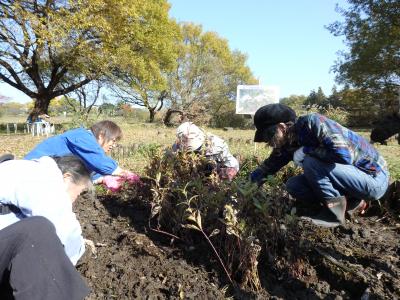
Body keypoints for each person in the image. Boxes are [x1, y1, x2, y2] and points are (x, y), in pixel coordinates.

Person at [250, 103, 389, 227]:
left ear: (282, 127)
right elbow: (268, 167)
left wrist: (306, 150)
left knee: (312, 162)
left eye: (268, 136)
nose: (267, 141)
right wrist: (244, 186)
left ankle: (334, 215)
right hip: (353, 179)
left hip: (373, 178)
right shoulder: (287, 143)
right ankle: (353, 202)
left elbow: (344, 155)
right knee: (294, 185)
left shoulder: (313, 123)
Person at [0, 155, 92, 299]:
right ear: (67, 177)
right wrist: (78, 250)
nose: (76, 199)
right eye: (79, 193)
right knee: (36, 231)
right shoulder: (43, 176)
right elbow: (63, 226)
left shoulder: (24, 170)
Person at [24, 120, 128, 182]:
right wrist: (123, 173)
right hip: (31, 172)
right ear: (101, 135)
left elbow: (91, 166)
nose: (114, 145)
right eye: (113, 141)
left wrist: (103, 178)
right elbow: (99, 161)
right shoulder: (82, 137)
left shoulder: (86, 145)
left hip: (44, 175)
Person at [173, 122, 239, 181]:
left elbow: (231, 163)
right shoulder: (176, 147)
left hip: (212, 168)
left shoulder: (217, 144)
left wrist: (230, 171)